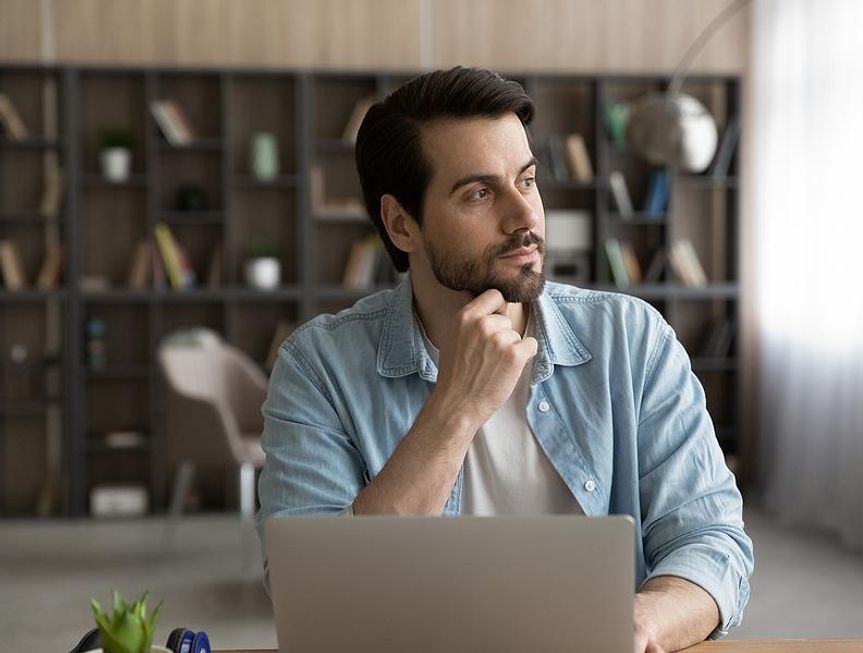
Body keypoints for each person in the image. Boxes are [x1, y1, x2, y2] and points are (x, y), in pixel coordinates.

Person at [257, 66, 753, 653]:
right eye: (480, 193)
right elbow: (321, 602)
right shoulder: (318, 368)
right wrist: (456, 408)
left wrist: (640, 622)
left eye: (528, 180)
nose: (526, 218)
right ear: (401, 224)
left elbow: (713, 542)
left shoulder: (631, 338)